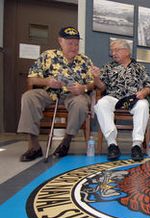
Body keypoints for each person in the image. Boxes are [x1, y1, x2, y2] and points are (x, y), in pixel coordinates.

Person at [17, 26, 94, 162]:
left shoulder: (85, 60)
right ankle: (34, 146)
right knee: (29, 97)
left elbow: (92, 83)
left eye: (76, 44)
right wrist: (47, 81)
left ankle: (66, 142)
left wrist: (83, 88)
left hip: (73, 95)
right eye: (70, 43)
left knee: (81, 103)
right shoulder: (48, 56)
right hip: (49, 92)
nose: (74, 47)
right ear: (60, 41)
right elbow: (31, 79)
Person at [92, 39, 150, 161]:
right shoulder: (108, 67)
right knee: (101, 103)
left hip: (133, 99)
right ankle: (112, 144)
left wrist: (143, 92)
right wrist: (96, 78)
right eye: (112, 51)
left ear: (127, 51)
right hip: (114, 98)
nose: (113, 53)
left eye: (116, 50)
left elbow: (148, 86)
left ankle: (137, 145)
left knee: (143, 105)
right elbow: (102, 87)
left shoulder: (139, 67)